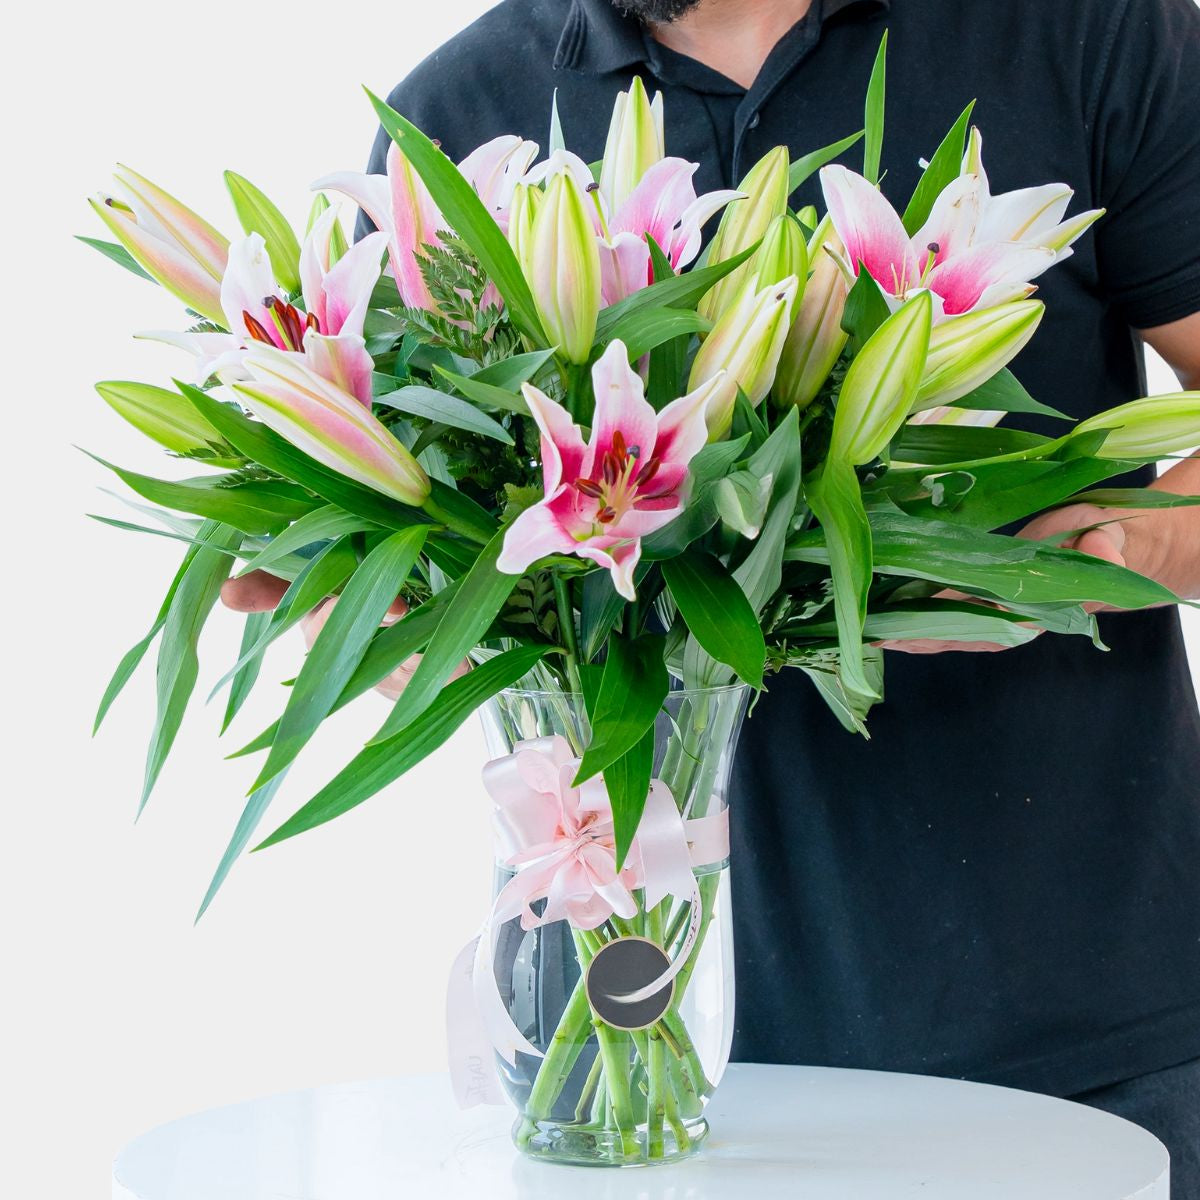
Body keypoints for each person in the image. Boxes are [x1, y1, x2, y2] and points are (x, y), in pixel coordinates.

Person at [223, 0, 1200, 1186]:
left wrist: (1103, 557)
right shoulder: (456, 116)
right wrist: (374, 610)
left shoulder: (1088, 31)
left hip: (1078, 1032)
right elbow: (421, 550)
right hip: (623, 1059)